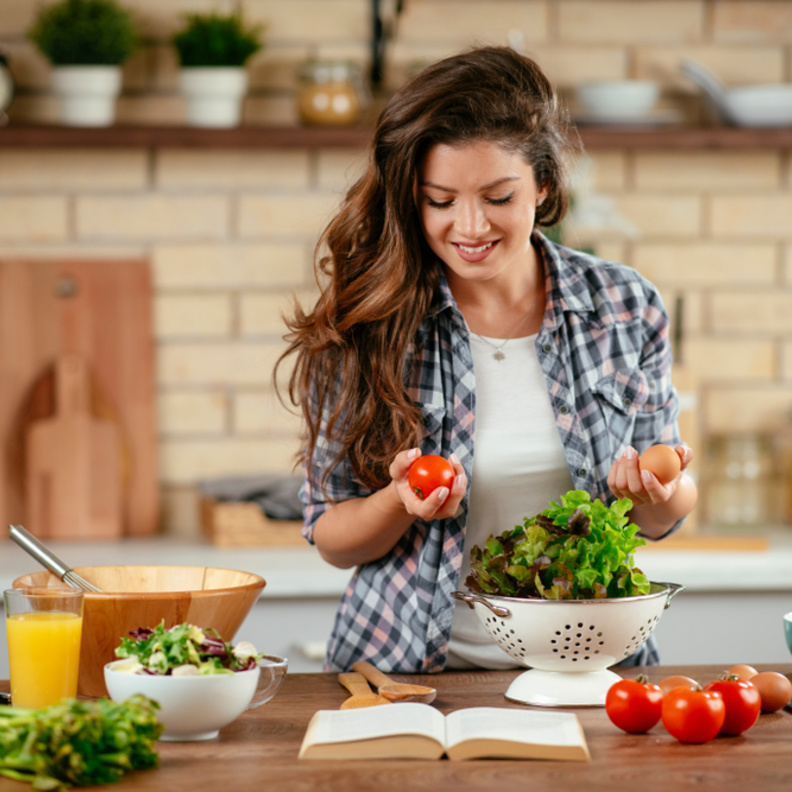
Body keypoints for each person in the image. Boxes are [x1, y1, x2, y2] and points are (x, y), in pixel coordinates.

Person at [277, 45, 697, 674]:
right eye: (440, 201)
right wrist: (399, 500)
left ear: (544, 184)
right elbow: (333, 539)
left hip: (590, 671)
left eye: (498, 197)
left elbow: (662, 513)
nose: (470, 227)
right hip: (406, 676)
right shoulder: (368, 322)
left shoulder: (623, 304)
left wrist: (658, 491)